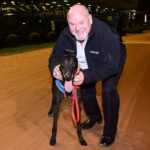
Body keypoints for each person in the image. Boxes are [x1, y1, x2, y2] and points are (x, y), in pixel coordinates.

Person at [48, 4, 126, 147]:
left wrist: (87, 75)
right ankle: (95, 117)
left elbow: (110, 66)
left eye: (81, 22)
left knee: (108, 91)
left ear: (90, 19)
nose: (77, 28)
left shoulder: (106, 35)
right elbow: (54, 57)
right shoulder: (66, 34)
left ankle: (109, 133)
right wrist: (54, 68)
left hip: (110, 61)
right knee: (84, 89)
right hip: (86, 61)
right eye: (72, 24)